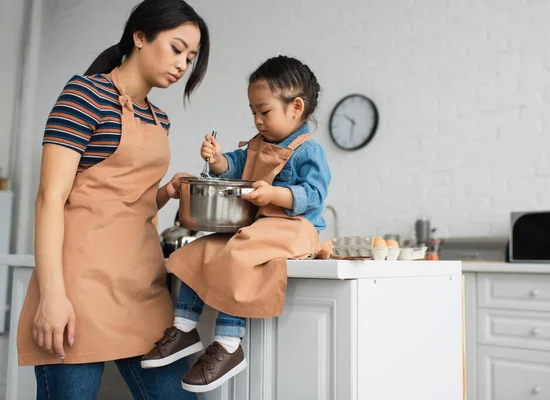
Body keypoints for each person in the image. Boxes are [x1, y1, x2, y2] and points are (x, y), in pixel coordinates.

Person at [16, 1, 209, 399]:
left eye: (190, 58)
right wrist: (53, 296)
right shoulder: (84, 95)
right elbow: (50, 198)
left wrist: (165, 193)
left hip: (142, 286)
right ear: (140, 37)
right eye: (177, 49)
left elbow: (126, 202)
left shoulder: (160, 119)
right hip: (79, 288)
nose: (182, 65)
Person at [140, 55, 332, 393]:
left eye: (264, 111)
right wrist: (216, 159)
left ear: (296, 107)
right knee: (200, 250)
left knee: (239, 255)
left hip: (295, 228)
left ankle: (229, 344)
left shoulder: (308, 150)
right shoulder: (257, 144)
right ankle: (184, 326)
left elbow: (314, 195)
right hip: (258, 228)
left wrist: (274, 194)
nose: (257, 120)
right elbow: (232, 166)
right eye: (253, 112)